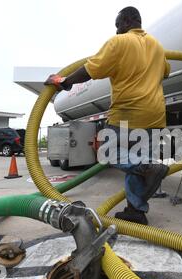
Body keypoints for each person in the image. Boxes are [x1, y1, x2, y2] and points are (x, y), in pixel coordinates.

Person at [45, 6, 171, 225]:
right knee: (137, 162)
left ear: (126, 22)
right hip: (155, 116)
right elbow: (166, 71)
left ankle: (147, 168)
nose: (116, 31)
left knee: (106, 151)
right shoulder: (158, 47)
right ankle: (136, 211)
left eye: (117, 26)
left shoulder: (119, 43)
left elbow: (90, 69)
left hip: (127, 113)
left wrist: (64, 81)